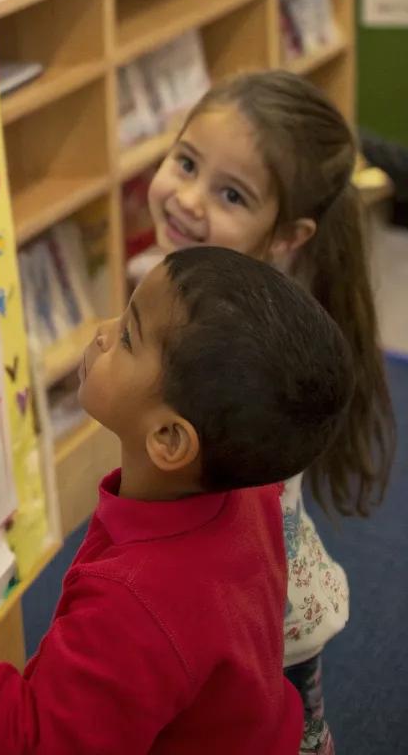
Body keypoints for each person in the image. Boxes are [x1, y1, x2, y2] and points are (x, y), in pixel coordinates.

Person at [0, 247, 353, 755]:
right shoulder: (252, 494)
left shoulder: (132, 605)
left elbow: (33, 740)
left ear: (170, 440)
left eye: (127, 336)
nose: (102, 330)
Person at [146, 72, 394, 753]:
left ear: (287, 234)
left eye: (231, 194)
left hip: (261, 612)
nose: (188, 198)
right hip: (217, 589)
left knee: (280, 734)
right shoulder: (187, 277)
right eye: (187, 162)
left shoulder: (252, 351)